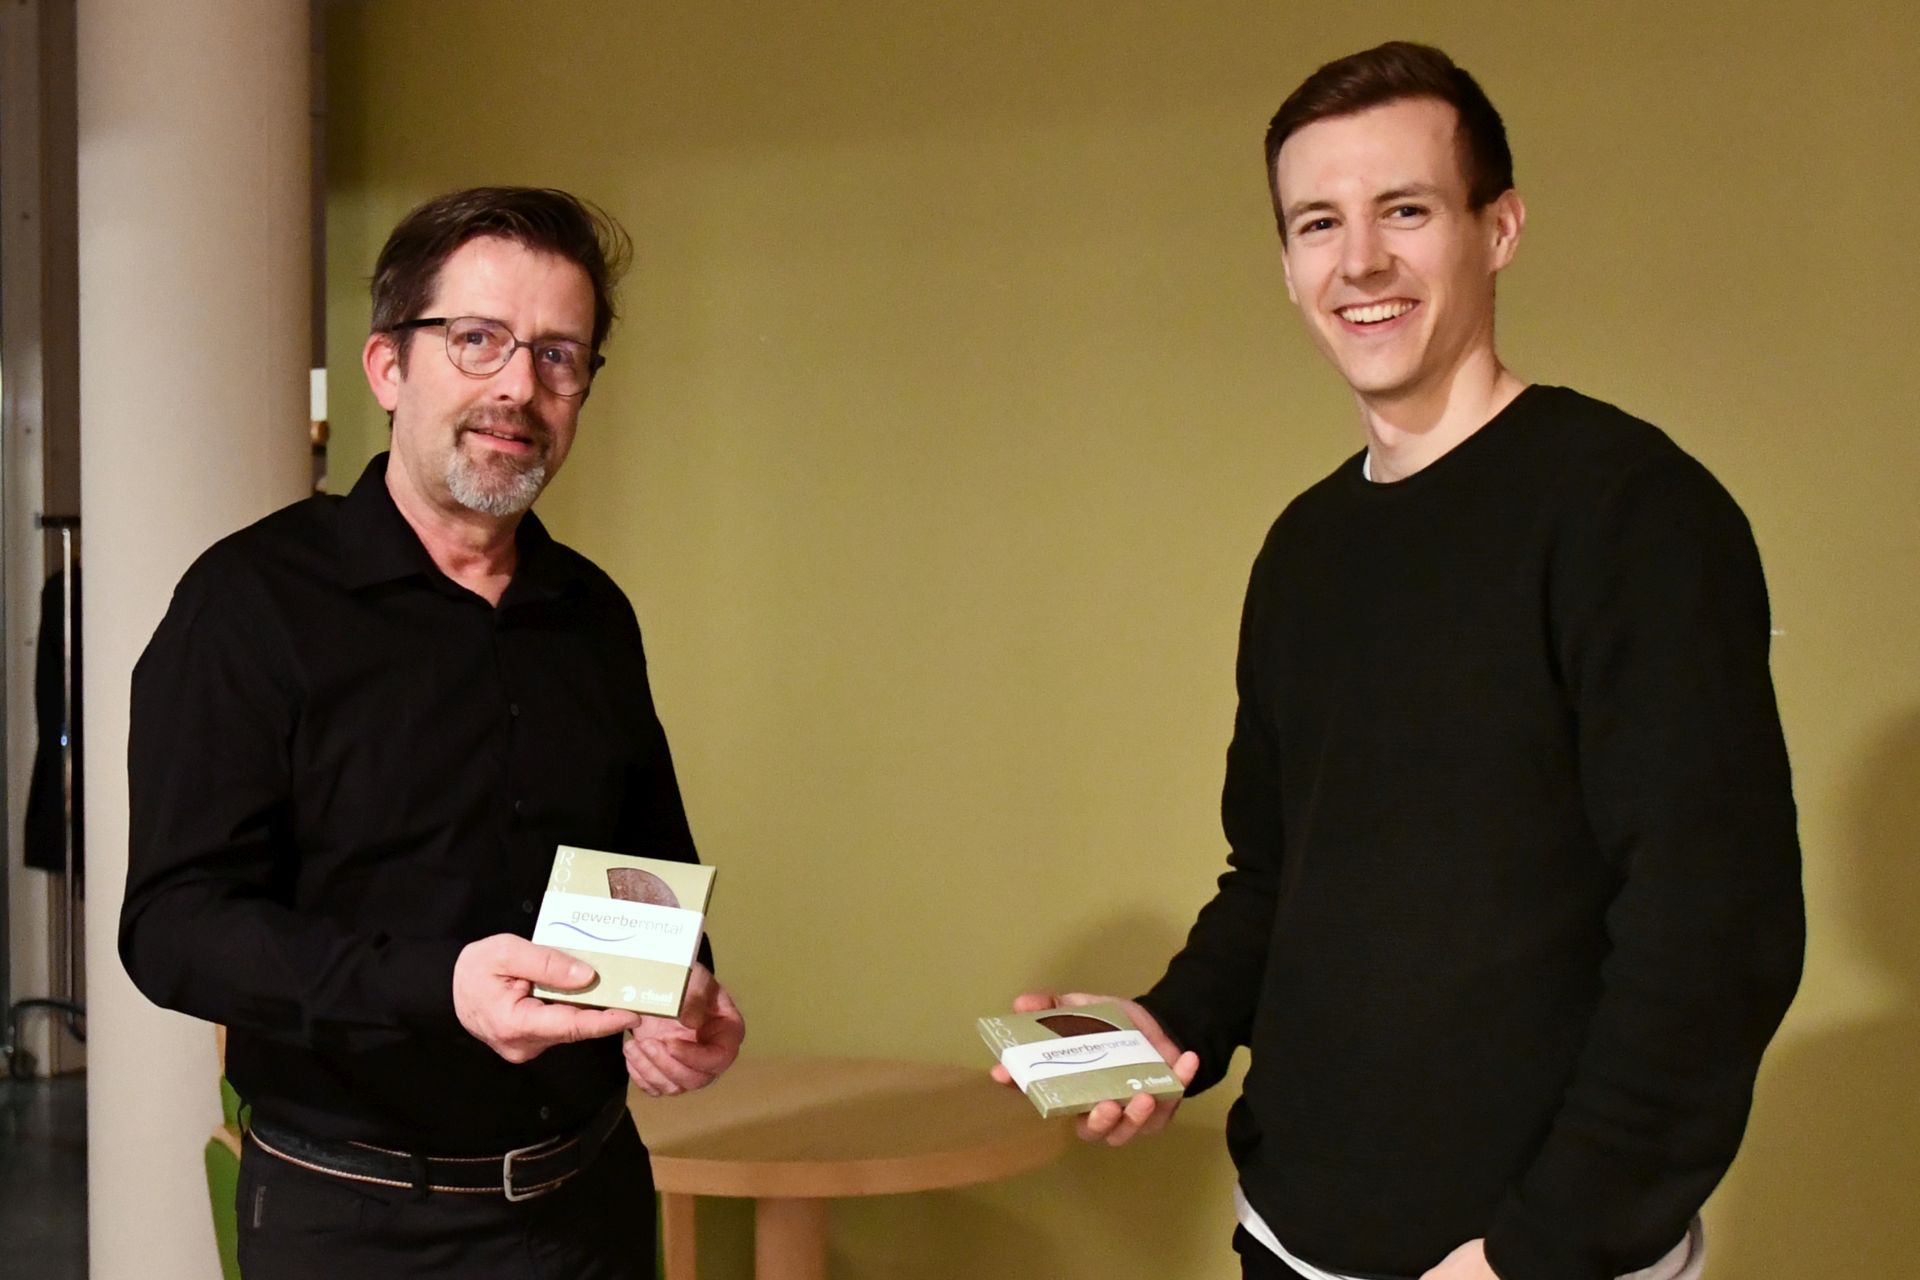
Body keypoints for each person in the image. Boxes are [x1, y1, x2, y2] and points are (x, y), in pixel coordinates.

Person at [998, 42, 1802, 1280]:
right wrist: (1168, 1025)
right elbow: (1278, 873)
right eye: (1319, 222)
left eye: (1406, 211)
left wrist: (1539, 1246)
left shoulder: (1633, 512)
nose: (1360, 260)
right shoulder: (1306, 547)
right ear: (1288, 266)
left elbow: (1712, 930)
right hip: (1292, 1234)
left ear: (1500, 227)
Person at [120, 187, 743, 1280]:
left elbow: (646, 868)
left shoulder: (592, 613)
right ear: (388, 366)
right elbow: (172, 927)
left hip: (591, 1201)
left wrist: (680, 995)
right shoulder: (248, 603)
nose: (519, 386)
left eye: (559, 356)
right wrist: (437, 986)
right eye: (478, 339)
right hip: (356, 1221)